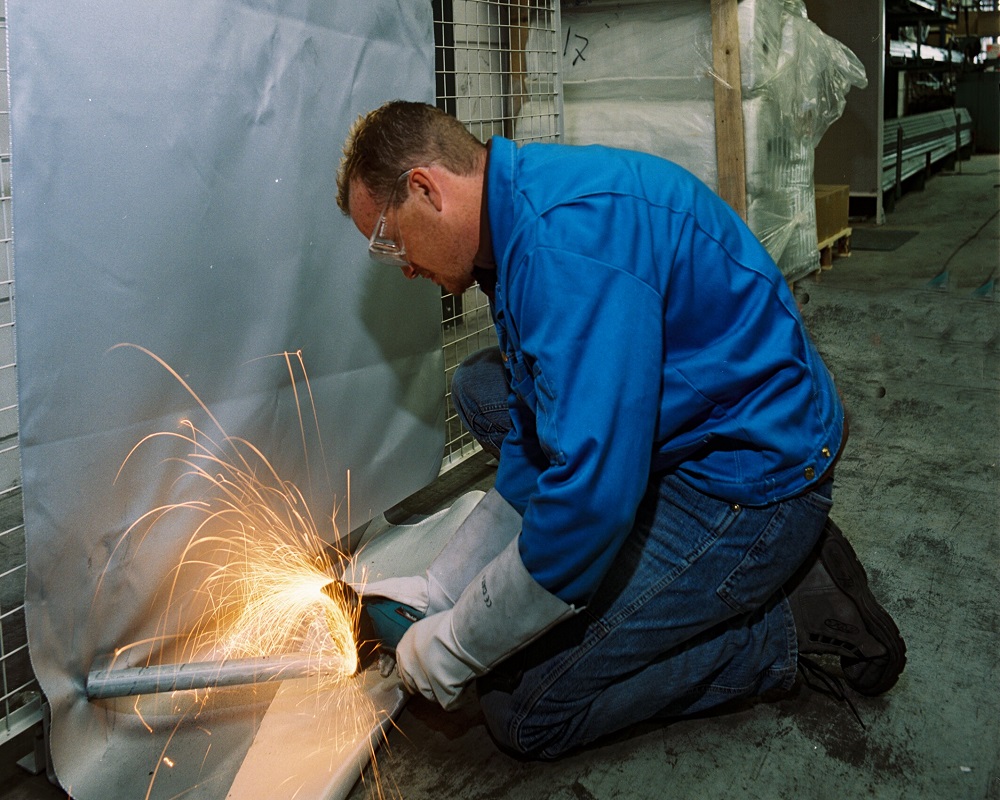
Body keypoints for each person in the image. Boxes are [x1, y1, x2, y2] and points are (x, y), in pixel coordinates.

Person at [336, 100, 905, 759]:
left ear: (425, 189)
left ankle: (786, 624)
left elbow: (591, 501)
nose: (404, 266)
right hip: (706, 417)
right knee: (483, 389)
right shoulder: (517, 212)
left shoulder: (563, 248)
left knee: (524, 709)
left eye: (390, 241)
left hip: (756, 478)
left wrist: (461, 645)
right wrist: (443, 589)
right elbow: (533, 427)